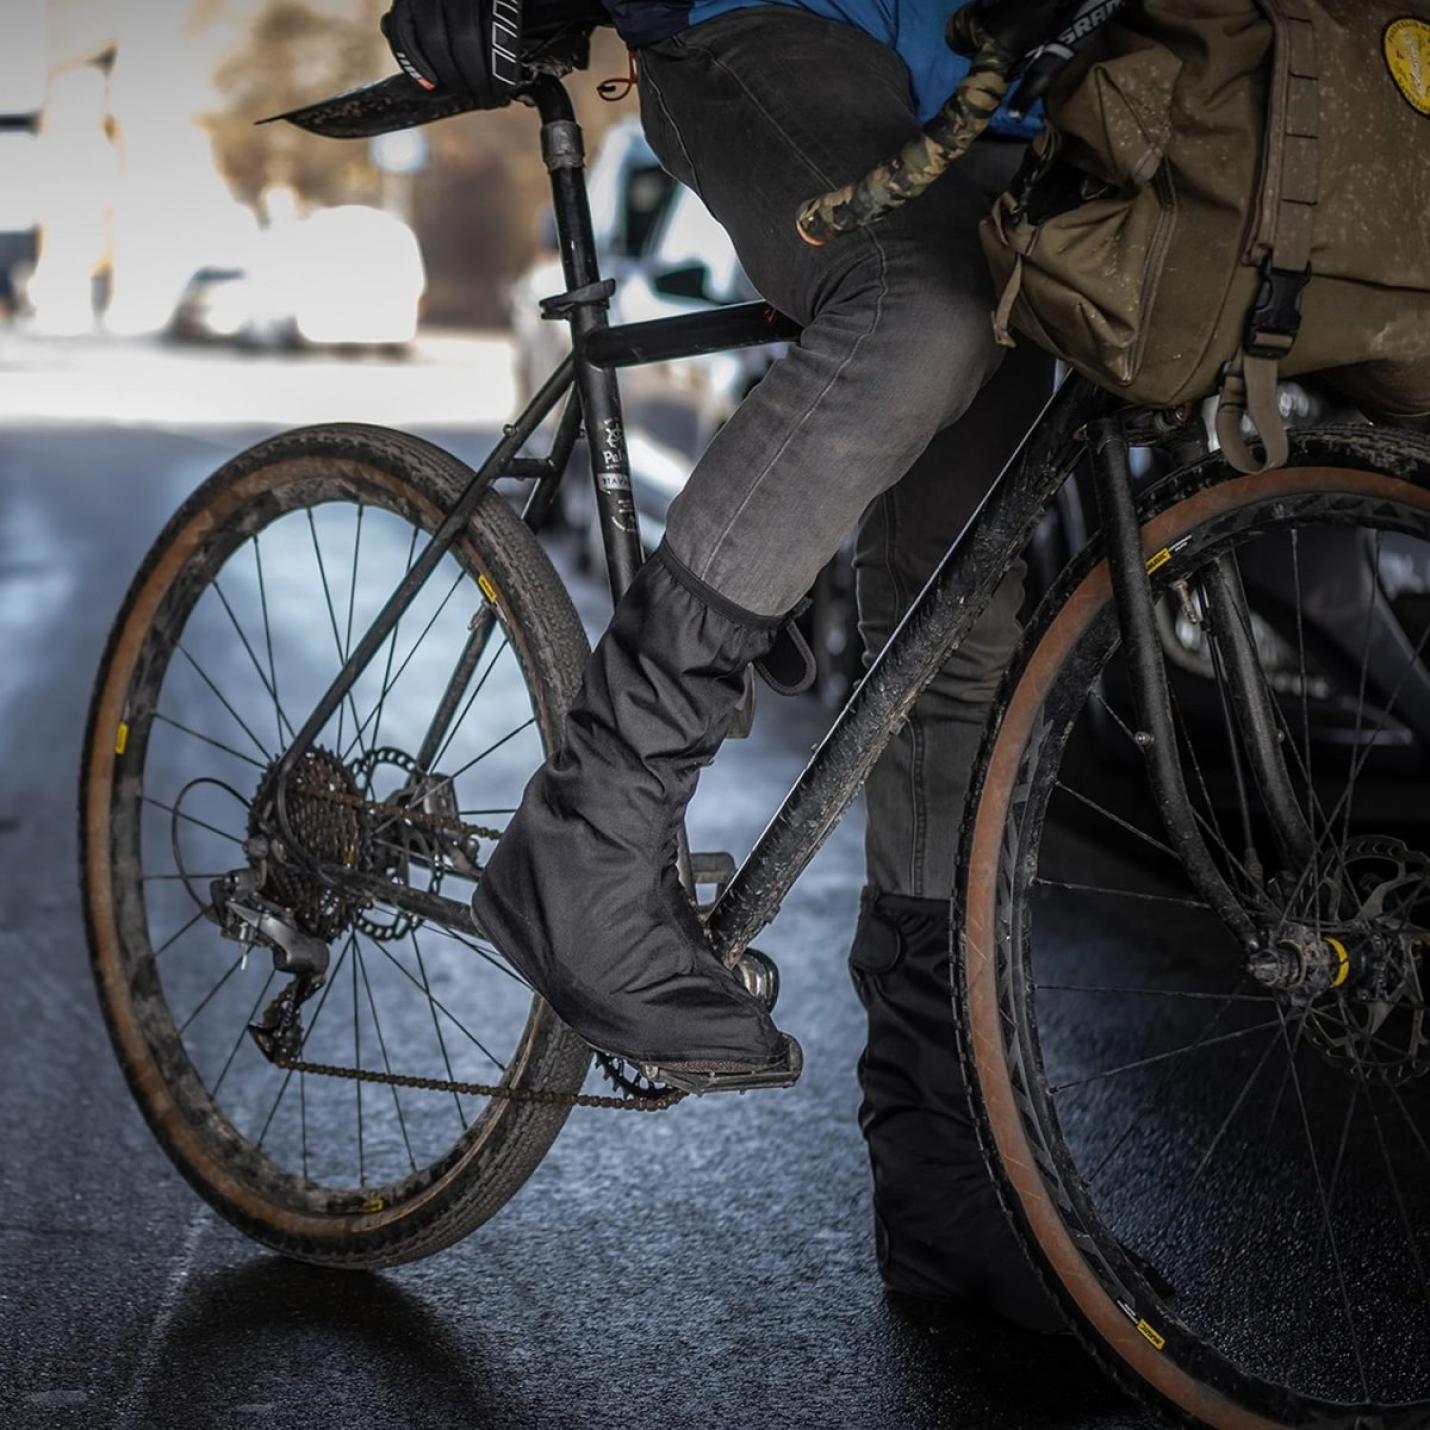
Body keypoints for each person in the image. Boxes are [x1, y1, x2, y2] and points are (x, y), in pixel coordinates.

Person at [382, 0, 1061, 1332]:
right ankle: (584, 837)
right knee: (918, 313)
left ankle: (944, 1183)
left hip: (1023, 95)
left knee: (956, 632)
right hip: (776, 22)